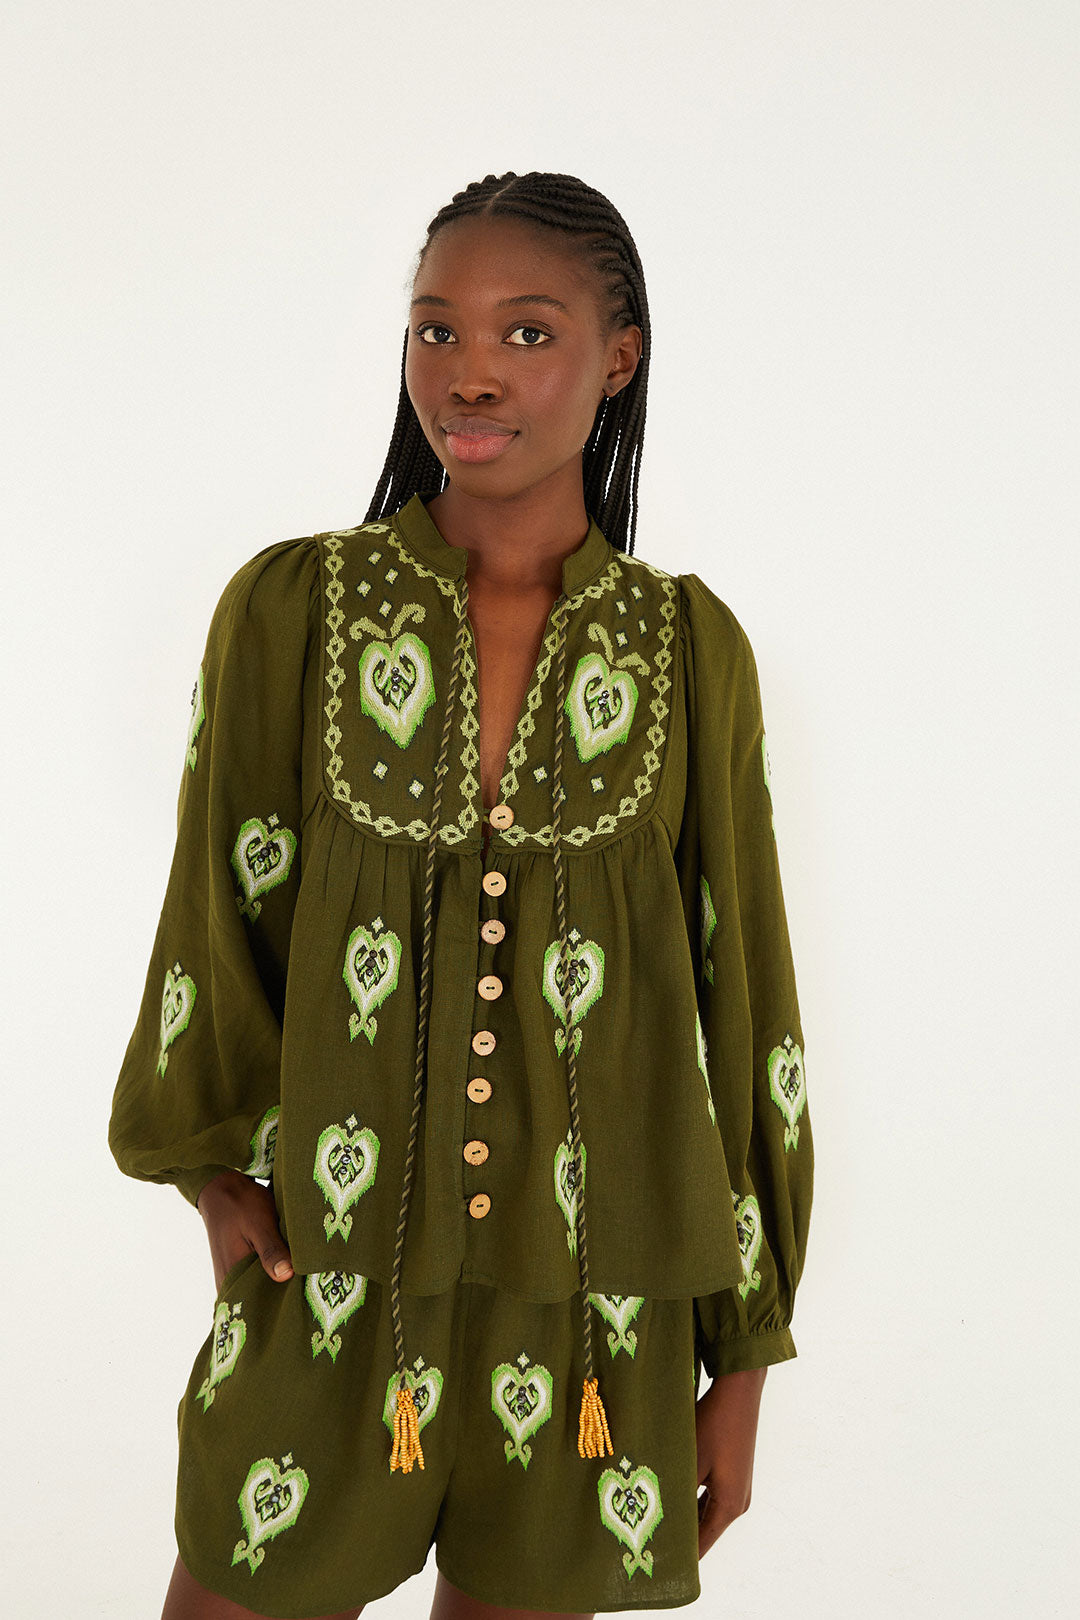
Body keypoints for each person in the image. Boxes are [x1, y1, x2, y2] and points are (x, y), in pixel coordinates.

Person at [108, 169, 814, 1620]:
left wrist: (742, 1353)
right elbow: (214, 916)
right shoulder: (294, 611)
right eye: (436, 329)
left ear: (619, 358)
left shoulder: (689, 649)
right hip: (332, 1277)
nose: (469, 372)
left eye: (527, 332)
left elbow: (744, 1000)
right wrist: (207, 1169)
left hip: (598, 1315)